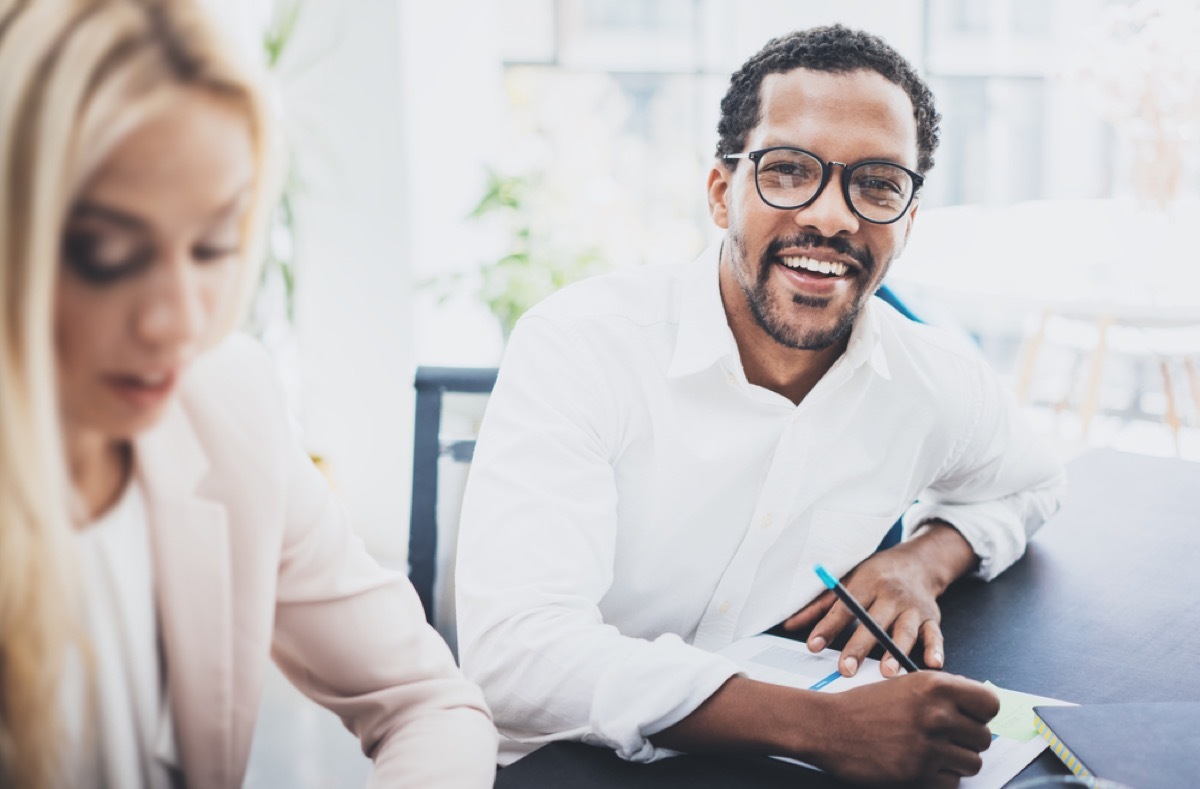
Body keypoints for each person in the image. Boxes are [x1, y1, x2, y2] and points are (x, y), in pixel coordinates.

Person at [455, 24, 1065, 787]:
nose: (833, 216)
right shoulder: (582, 346)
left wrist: (925, 558)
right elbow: (517, 654)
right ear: (722, 193)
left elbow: (1034, 481)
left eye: (876, 184)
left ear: (907, 221)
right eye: (787, 170)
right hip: (571, 760)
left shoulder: (927, 375)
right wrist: (823, 726)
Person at [0, 1, 496, 787]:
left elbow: (429, 702)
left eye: (213, 246)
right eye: (108, 252)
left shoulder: (225, 403)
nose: (178, 321)